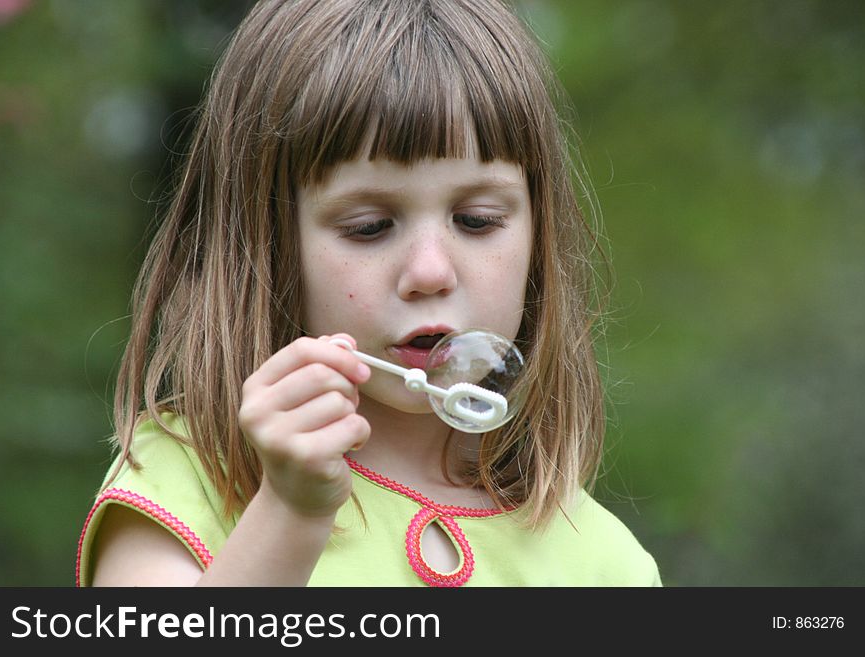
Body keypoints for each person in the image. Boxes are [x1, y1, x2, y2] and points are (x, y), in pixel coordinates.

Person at [77, 0, 662, 587]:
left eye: (478, 219)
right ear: (266, 244)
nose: (431, 271)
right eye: (369, 227)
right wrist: (288, 513)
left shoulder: (607, 564)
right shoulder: (186, 480)